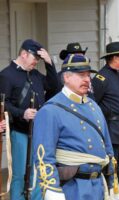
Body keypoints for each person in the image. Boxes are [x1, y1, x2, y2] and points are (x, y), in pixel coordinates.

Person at [33, 54, 114, 200]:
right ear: (66, 78)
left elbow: (107, 149)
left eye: (88, 75)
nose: (87, 80)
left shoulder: (94, 106)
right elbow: (43, 156)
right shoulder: (50, 110)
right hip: (71, 188)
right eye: (81, 75)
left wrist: (111, 184)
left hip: (98, 187)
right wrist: (52, 190)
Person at [0, 39, 59, 200]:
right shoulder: (6, 75)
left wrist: (49, 63)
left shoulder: (34, 73)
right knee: (20, 173)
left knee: (38, 170)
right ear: (24, 54)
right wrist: (22, 113)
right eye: (35, 59)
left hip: (38, 130)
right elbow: (3, 104)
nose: (36, 62)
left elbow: (54, 85)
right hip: (20, 131)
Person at [91, 41, 119, 200]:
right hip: (110, 126)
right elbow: (93, 104)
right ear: (114, 57)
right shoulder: (101, 78)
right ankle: (110, 194)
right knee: (112, 163)